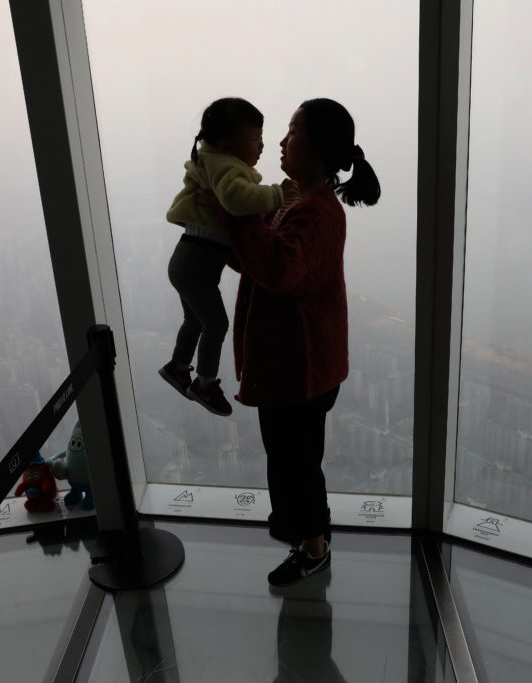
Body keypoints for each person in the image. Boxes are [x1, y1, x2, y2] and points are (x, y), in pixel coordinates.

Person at [224, 98, 381, 587]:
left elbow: (279, 269)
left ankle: (313, 550)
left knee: (296, 464)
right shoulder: (297, 202)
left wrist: (238, 219)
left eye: (292, 132)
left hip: (300, 367)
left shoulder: (317, 212)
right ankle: (310, 537)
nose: (281, 142)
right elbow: (255, 259)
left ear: (317, 148)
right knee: (294, 459)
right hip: (296, 364)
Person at [160, 97, 293, 416]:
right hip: (197, 262)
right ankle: (204, 383)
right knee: (216, 324)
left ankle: (178, 367)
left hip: (187, 259)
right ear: (226, 146)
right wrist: (278, 194)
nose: (262, 145)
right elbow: (237, 200)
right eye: (255, 139)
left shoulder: (215, 162)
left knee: (195, 320)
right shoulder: (226, 166)